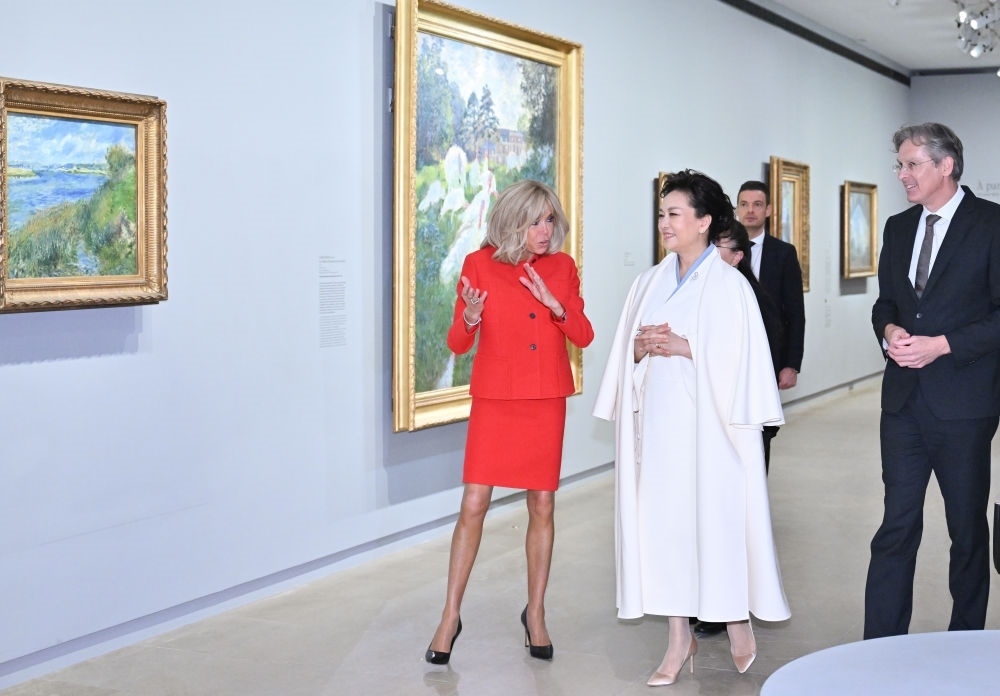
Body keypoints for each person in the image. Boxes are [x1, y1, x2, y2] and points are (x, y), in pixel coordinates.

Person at [593, 170, 790, 686]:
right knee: (665, 531)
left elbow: (744, 362)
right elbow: (626, 356)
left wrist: (686, 347)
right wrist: (640, 350)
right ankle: (678, 639)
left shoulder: (729, 286)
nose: (665, 223)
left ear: (704, 222)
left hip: (713, 434)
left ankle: (735, 617)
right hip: (661, 431)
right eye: (662, 214)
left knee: (716, 525)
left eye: (675, 214)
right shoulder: (648, 283)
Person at [425, 179, 594, 665]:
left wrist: (555, 306)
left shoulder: (562, 267)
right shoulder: (478, 264)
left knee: (542, 503)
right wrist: (472, 316)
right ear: (512, 222)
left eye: (550, 220)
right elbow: (458, 344)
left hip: (544, 397)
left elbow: (583, 335)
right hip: (497, 397)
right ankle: (450, 616)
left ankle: (535, 612)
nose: (545, 230)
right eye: (535, 221)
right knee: (474, 502)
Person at [865, 122, 1000, 639]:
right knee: (895, 528)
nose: (902, 174)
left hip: (964, 404)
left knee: (966, 530)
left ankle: (964, 639)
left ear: (946, 165)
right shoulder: (898, 227)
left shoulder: (991, 224)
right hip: (902, 404)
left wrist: (941, 344)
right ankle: (879, 645)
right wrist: (890, 331)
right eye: (899, 165)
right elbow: (885, 303)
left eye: (911, 164)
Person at [735, 180, 806, 472]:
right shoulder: (720, 251)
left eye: (757, 204)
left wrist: (791, 364)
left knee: (762, 431)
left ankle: (757, 492)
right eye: (744, 204)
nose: (750, 211)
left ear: (769, 210)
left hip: (768, 357)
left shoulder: (783, 253)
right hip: (732, 357)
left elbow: (796, 313)